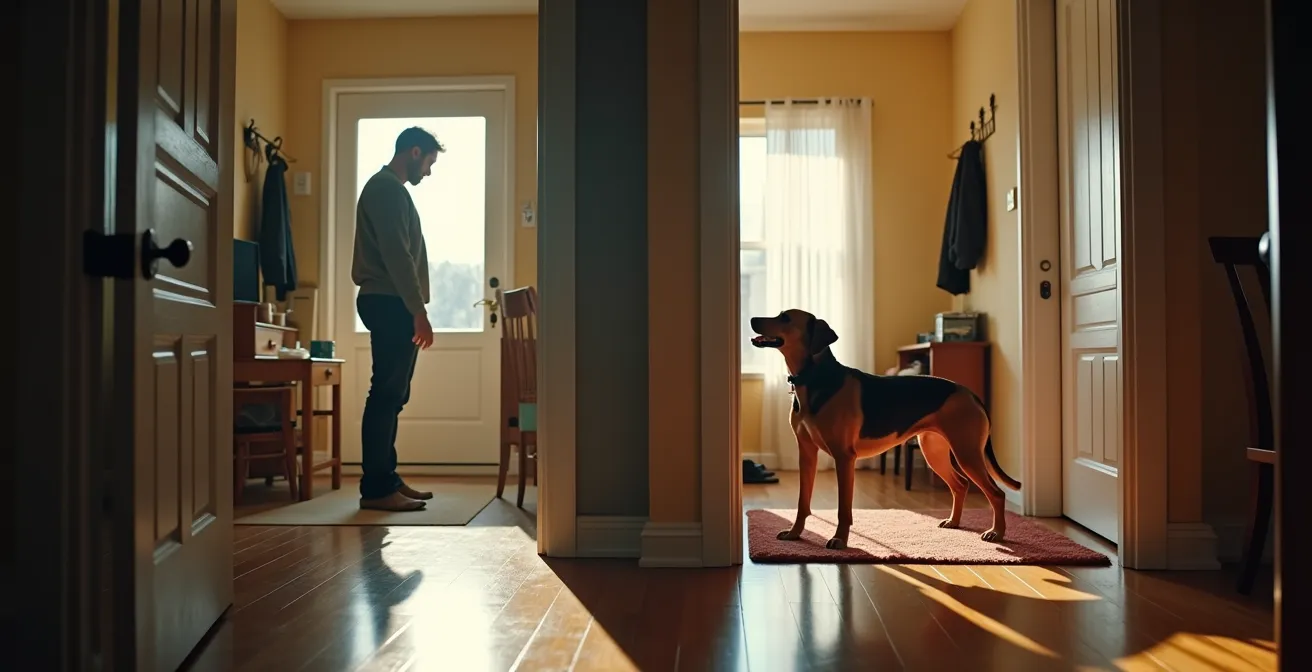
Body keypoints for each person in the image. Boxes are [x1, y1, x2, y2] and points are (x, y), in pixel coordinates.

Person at [351, 126, 446, 511]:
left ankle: (386, 478)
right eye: (429, 163)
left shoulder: (389, 189)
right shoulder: (387, 189)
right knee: (386, 394)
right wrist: (418, 311)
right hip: (389, 301)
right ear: (414, 152)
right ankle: (376, 489)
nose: (429, 172)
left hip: (392, 301)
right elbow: (397, 254)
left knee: (393, 395)